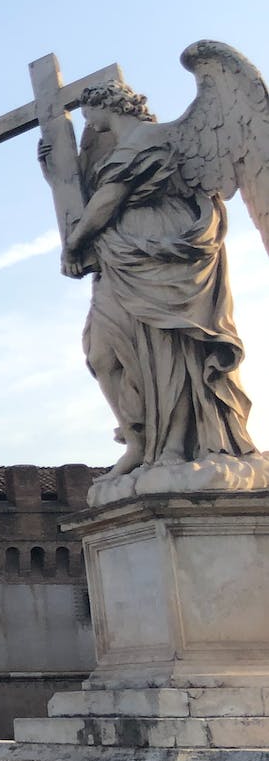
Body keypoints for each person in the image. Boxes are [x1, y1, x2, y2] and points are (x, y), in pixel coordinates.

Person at [44, 82, 255, 482]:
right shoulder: (120, 148)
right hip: (120, 256)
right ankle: (140, 442)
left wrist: (73, 245)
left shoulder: (155, 139)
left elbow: (107, 201)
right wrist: (55, 176)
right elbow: (92, 198)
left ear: (105, 104)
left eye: (88, 114)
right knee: (101, 353)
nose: (88, 123)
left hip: (161, 251)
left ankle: (175, 444)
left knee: (169, 350)